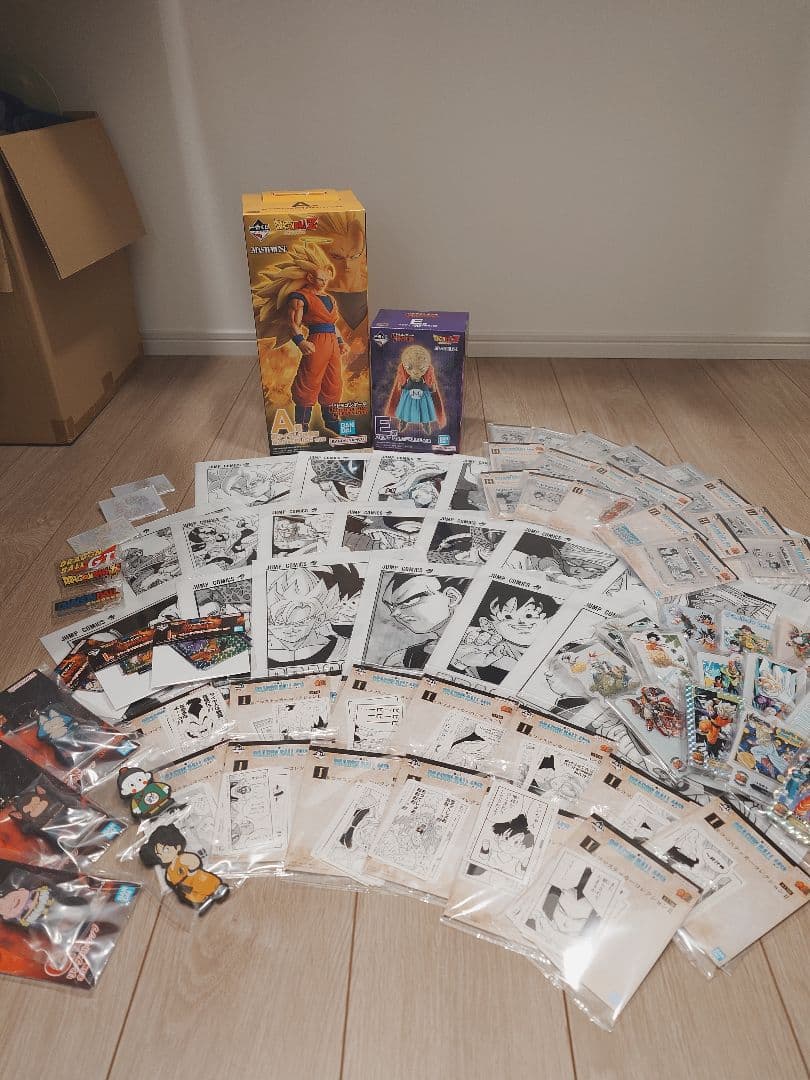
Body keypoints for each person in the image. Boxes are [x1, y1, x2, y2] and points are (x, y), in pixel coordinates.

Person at [250, 240, 350, 433]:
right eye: (320, 279)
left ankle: (331, 420)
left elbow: (332, 324)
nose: (324, 283)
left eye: (326, 280)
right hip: (316, 341)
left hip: (332, 342)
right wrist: (300, 342)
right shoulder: (299, 297)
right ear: (310, 277)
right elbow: (293, 324)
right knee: (309, 380)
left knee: (333, 382)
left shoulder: (329, 298)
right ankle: (301, 424)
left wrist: (340, 341)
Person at [450, 584, 562, 684]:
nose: (521, 622)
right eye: (508, 617)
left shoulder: (556, 648)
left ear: (548, 618)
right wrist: (462, 659)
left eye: (529, 615)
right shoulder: (492, 652)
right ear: (487, 624)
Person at [380, 573, 468, 670]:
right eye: (391, 607)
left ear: (452, 597)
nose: (394, 613)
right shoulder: (405, 660)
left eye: (408, 601)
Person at [139, 823, 229, 914]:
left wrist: (192, 870)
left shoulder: (182, 859)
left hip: (197, 879)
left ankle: (217, 889)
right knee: (195, 897)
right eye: (159, 854)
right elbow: (173, 882)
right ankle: (203, 901)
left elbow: (194, 861)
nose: (163, 855)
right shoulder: (169, 872)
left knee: (207, 885)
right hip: (186, 889)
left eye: (166, 850)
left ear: (178, 847)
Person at [385, 344, 446, 434]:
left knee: (424, 411)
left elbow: (432, 389)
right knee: (405, 410)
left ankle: (425, 425)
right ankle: (403, 423)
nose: (415, 372)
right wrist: (401, 385)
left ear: (427, 368)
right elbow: (402, 386)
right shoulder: (406, 377)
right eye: (409, 367)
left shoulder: (426, 376)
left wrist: (432, 387)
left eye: (421, 368)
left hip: (422, 395)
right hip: (409, 394)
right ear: (404, 367)